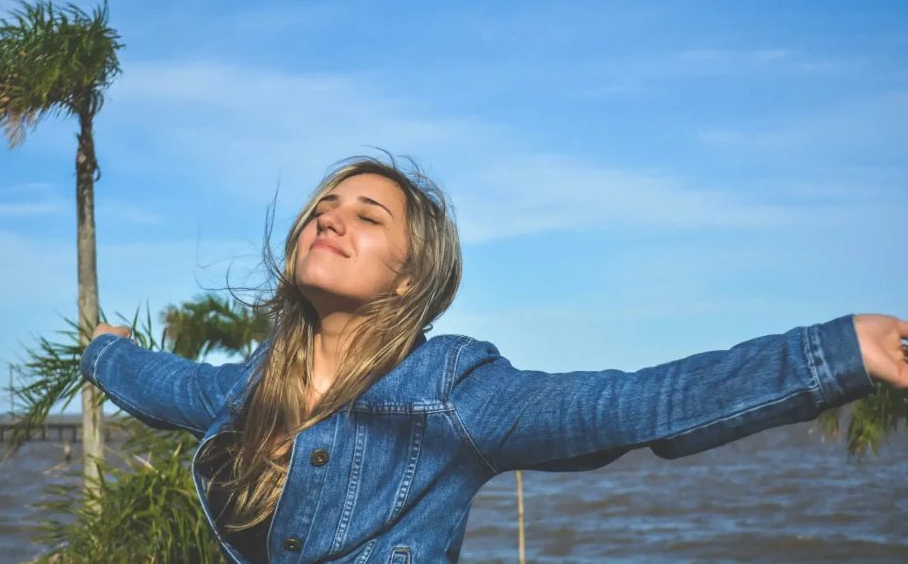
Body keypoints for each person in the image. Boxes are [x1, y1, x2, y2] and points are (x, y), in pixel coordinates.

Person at [81, 154, 907, 564]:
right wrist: (105, 354)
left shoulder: (452, 394)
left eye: (368, 215)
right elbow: (164, 382)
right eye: (323, 207)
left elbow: (634, 402)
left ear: (410, 273)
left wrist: (835, 351)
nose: (330, 219)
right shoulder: (250, 389)